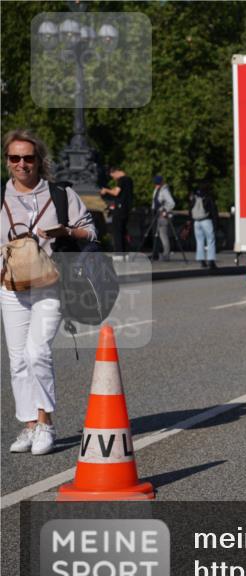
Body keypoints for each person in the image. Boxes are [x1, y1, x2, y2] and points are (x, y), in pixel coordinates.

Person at [1, 129, 96, 455]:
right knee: (17, 362)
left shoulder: (60, 194)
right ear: (7, 161)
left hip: (50, 283)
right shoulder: (1, 196)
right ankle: (28, 425)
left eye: (28, 158)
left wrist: (67, 230)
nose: (22, 164)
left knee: (36, 352)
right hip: (11, 287)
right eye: (15, 158)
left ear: (39, 161)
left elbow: (91, 231)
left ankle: (46, 423)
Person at [99, 166, 133, 256]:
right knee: (124, 231)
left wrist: (106, 190)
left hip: (120, 210)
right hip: (126, 209)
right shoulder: (129, 180)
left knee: (117, 231)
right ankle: (125, 252)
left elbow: (116, 192)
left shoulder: (122, 180)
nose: (113, 178)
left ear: (116, 172)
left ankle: (119, 253)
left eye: (112, 176)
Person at [187, 181, 219, 269]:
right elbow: (213, 211)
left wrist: (190, 220)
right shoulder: (208, 197)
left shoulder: (194, 197)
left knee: (199, 241)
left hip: (196, 222)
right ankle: (211, 261)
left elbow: (190, 209)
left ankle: (201, 261)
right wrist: (216, 223)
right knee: (210, 240)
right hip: (206, 221)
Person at [150, 175, 175, 260]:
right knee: (156, 235)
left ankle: (166, 254)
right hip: (155, 214)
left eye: (157, 183)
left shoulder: (164, 191)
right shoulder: (157, 189)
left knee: (163, 235)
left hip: (162, 215)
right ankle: (155, 253)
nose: (155, 185)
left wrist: (165, 210)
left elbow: (172, 203)